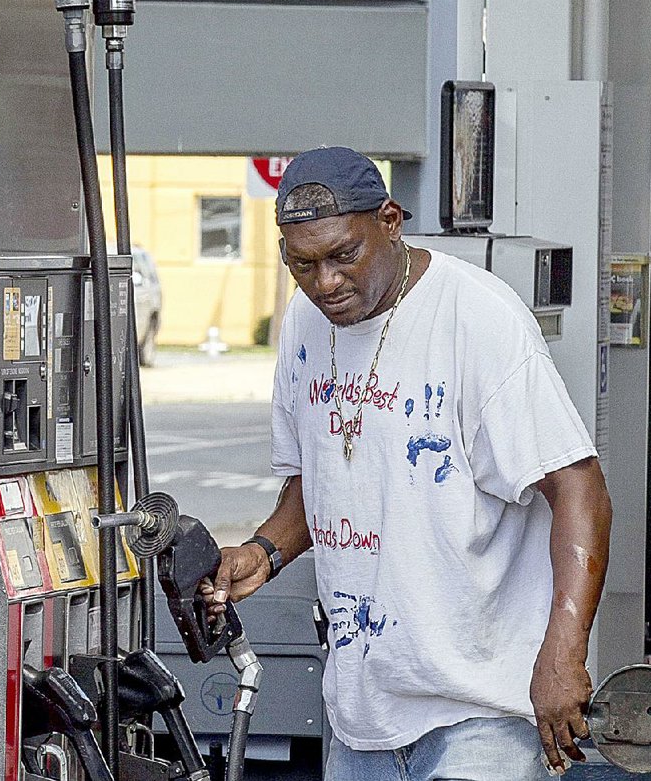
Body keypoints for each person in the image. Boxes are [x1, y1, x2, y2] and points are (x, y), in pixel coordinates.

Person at [203, 148, 612, 780]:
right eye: (303, 264)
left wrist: (564, 647)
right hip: (362, 713)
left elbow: (577, 487)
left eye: (345, 255)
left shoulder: (477, 317)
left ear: (391, 221)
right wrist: (265, 551)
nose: (326, 283)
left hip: (480, 713)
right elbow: (314, 478)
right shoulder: (305, 325)